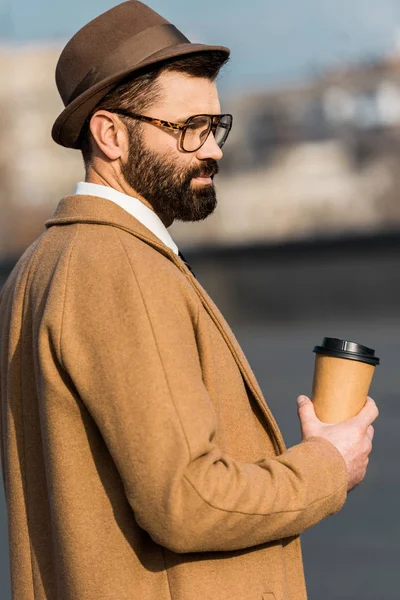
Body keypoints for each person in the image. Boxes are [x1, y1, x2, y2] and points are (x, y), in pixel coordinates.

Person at [0, 2, 379, 599]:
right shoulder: (116, 267)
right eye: (189, 128)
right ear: (110, 134)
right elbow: (189, 500)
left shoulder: (42, 266)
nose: (214, 151)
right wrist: (327, 465)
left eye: (216, 127)